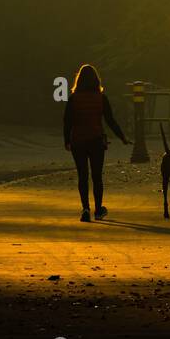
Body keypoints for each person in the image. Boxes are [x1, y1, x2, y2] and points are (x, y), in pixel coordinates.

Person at [64, 63, 128, 221]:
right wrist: (122, 137)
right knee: (97, 176)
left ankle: (85, 208)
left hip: (78, 140)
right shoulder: (101, 98)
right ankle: (98, 209)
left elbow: (67, 121)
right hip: (96, 141)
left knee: (82, 176)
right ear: (96, 80)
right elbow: (110, 120)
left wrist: (67, 140)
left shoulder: (73, 99)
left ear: (78, 80)